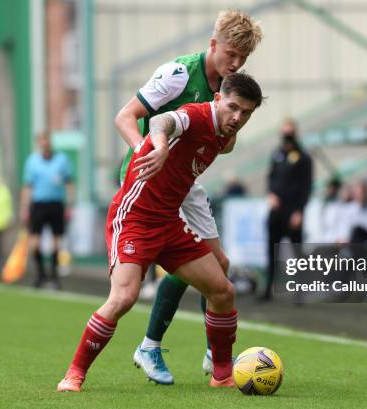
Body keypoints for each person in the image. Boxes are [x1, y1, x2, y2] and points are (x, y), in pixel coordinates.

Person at [57, 72, 264, 392]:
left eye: (246, 113)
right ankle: (74, 374)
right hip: (134, 219)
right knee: (124, 296)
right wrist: (161, 144)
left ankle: (222, 374)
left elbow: (208, 149)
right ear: (218, 98)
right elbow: (163, 121)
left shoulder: (226, 136)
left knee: (223, 290)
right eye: (233, 107)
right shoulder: (195, 116)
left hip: (169, 222)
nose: (238, 118)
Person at [114, 9, 263, 384]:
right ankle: (152, 345)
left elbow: (222, 145)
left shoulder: (229, 92)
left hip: (185, 182)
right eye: (231, 54)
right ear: (213, 45)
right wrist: (147, 153)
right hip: (151, 175)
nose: (236, 63)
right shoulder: (178, 73)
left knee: (220, 266)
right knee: (185, 266)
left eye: (243, 59)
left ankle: (213, 355)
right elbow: (126, 117)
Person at [263, 118, 313, 301]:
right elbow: (270, 178)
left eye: (289, 131)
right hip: (276, 212)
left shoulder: (303, 157)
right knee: (271, 251)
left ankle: (300, 292)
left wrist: (299, 211)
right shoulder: (277, 154)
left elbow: (306, 187)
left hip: (293, 212)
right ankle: (268, 289)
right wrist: (270, 194)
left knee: (297, 253)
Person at [20, 132, 74, 289]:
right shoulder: (32, 161)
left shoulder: (62, 160)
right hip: (38, 204)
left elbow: (69, 183)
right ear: (38, 144)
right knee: (35, 241)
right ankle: (40, 274)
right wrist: (25, 208)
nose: (45, 144)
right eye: (41, 142)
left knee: (56, 241)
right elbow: (28, 186)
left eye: (47, 141)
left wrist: (69, 205)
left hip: (56, 204)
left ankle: (54, 275)